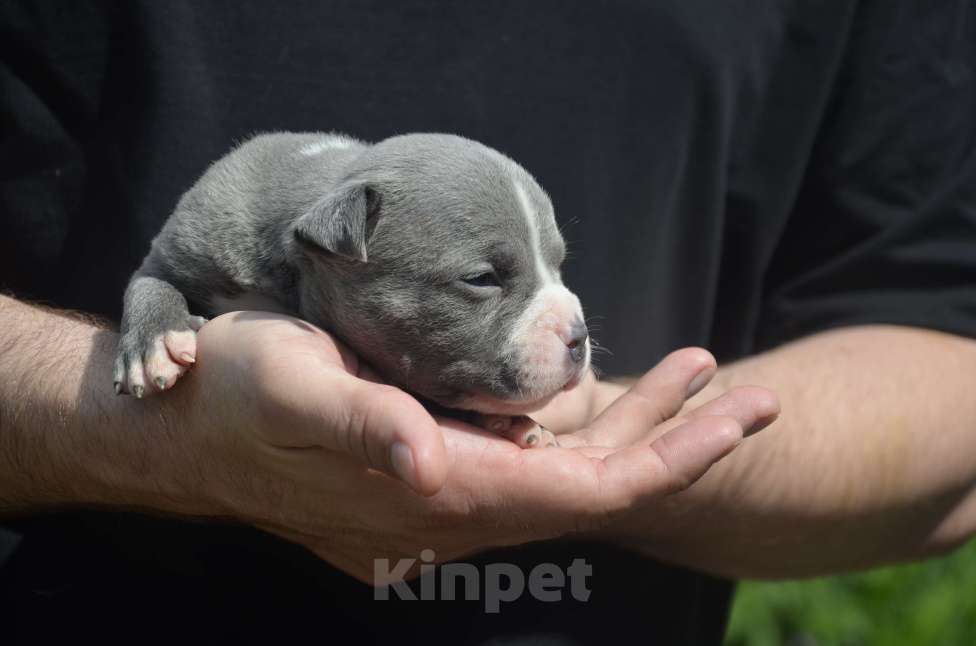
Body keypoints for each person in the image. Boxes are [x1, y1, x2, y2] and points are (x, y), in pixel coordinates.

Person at [2, 1, 975, 644]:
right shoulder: (253, 213)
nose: (573, 324)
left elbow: (949, 380)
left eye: (556, 270)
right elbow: (167, 277)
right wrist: (147, 438)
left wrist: (616, 440)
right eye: (486, 281)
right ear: (334, 244)